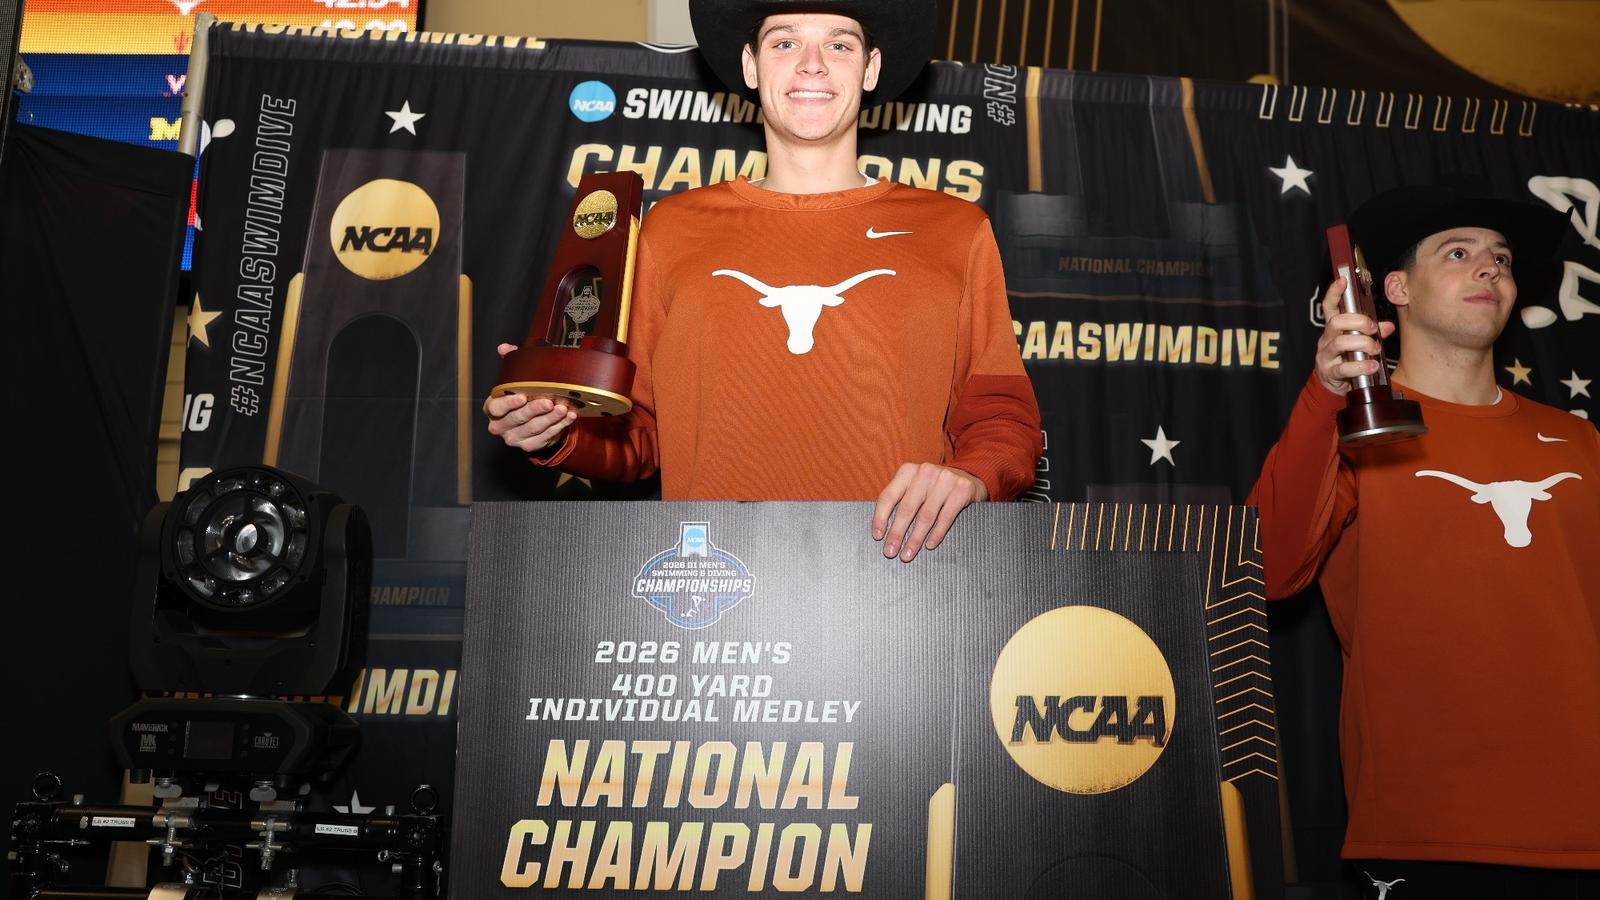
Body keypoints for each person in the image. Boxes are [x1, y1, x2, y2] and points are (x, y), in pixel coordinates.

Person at [485, 0, 1041, 562]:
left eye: (839, 44)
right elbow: (640, 432)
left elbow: (1001, 416)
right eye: (785, 42)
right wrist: (560, 430)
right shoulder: (671, 228)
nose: (812, 63)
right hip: (715, 576)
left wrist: (973, 474)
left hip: (901, 569)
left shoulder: (954, 229)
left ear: (870, 69)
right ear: (751, 66)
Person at [1248, 183, 1600, 898]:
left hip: (1584, 823)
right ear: (1397, 290)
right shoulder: (1356, 430)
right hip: (1424, 827)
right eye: (1459, 253)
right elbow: (1267, 572)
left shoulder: (1579, 441)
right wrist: (1326, 396)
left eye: (1502, 259)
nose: (1490, 267)